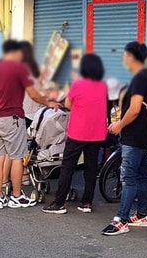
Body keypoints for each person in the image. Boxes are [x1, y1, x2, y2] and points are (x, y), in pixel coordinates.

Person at [0, 39, 57, 210]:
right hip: (12, 119)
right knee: (17, 158)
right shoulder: (19, 69)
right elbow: (33, 94)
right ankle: (17, 196)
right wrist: (49, 103)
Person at [102, 42, 147, 236]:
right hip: (144, 135)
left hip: (134, 136)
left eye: (125, 55)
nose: (123, 58)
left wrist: (120, 125)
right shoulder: (146, 77)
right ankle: (142, 214)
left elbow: (135, 109)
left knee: (128, 177)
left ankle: (121, 220)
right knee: (142, 175)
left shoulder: (140, 78)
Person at [43, 53, 108, 214]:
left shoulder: (77, 85)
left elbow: (68, 104)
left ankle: (59, 203)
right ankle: (87, 202)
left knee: (68, 167)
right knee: (91, 167)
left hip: (78, 132)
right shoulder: (103, 85)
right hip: (97, 133)